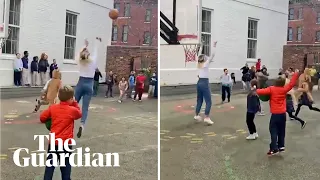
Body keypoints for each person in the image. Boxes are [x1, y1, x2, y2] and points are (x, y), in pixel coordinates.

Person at [40, 85, 82, 180]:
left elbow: (42, 118)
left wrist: (50, 118)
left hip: (54, 142)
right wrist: (74, 102)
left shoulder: (53, 108)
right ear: (71, 98)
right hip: (66, 143)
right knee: (66, 165)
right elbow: (79, 114)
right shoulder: (72, 110)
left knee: (50, 165)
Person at [255, 69, 299, 156]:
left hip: (275, 114)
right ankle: (281, 146)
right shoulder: (284, 89)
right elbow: (292, 84)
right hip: (283, 114)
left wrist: (255, 89)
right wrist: (296, 74)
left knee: (273, 130)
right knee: (282, 130)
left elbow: (260, 91)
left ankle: (274, 148)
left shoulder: (272, 89)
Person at [74, 37, 101, 138]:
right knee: (85, 108)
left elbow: (78, 55)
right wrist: (97, 42)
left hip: (80, 82)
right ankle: (82, 124)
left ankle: (69, 119)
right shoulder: (93, 61)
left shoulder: (80, 62)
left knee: (74, 103)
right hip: (89, 84)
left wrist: (84, 46)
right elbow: (96, 52)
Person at [194, 41, 217, 125]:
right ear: (204, 59)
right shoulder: (206, 64)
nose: (207, 58)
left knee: (199, 100)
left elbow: (198, 54)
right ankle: (207, 117)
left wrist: (201, 45)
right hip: (204, 82)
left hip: (199, 83)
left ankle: (196, 115)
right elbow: (213, 55)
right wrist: (214, 45)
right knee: (209, 101)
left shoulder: (198, 63)